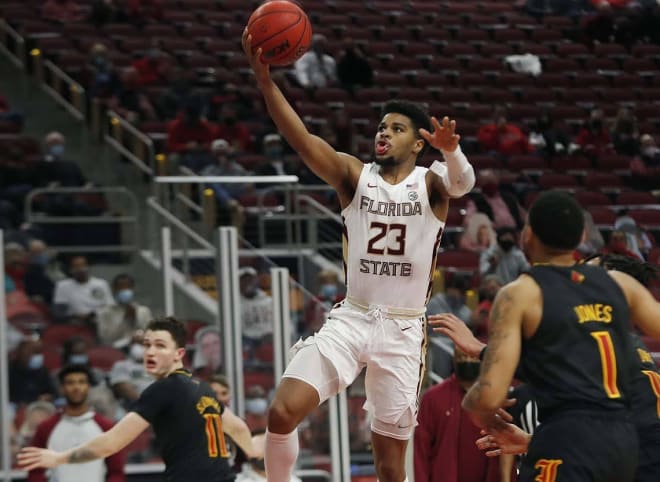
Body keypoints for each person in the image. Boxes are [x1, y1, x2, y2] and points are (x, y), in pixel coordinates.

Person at [242, 28, 475, 482]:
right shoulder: (354, 174)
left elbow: (463, 184)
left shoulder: (431, 182)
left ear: (418, 144)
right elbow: (303, 140)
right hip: (353, 317)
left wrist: (455, 151)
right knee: (281, 411)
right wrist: (267, 84)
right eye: (381, 126)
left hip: (404, 328)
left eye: (397, 128)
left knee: (390, 468)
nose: (384, 133)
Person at [443, 190, 660, 482]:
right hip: (623, 444)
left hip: (568, 437)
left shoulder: (520, 293)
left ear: (527, 234)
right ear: (582, 234)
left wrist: (477, 411)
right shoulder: (619, 284)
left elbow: (490, 395)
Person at [18, 317, 258, 481]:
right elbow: (237, 427)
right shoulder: (201, 387)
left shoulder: (163, 389)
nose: (150, 352)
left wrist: (58, 457)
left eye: (160, 346)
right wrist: (253, 458)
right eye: (147, 345)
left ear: (179, 354)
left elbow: (111, 443)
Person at [414, 348, 513, 482]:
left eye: (472, 357)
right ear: (453, 359)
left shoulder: (498, 398)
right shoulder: (433, 398)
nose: (466, 361)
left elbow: (508, 448)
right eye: (461, 357)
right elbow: (421, 449)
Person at [27, 364, 126, 482]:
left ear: (88, 387)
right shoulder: (46, 428)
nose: (76, 387)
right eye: (70, 383)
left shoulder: (106, 427)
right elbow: (35, 472)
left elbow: (116, 472)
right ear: (62, 388)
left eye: (81, 382)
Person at [96, 273, 153, 349]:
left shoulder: (143, 311)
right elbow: (106, 339)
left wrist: (135, 319)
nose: (125, 290)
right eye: (121, 287)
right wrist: (125, 319)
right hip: (116, 351)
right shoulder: (105, 313)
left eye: (128, 287)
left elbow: (151, 334)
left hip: (140, 350)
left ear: (132, 289)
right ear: (114, 290)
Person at [53, 255, 113, 324]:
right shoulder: (62, 286)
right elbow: (59, 312)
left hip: (100, 321)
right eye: (76, 266)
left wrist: (94, 314)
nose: (80, 269)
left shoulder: (101, 284)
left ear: (88, 267)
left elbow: (110, 306)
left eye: (82, 265)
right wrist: (76, 317)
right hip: (74, 322)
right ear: (71, 269)